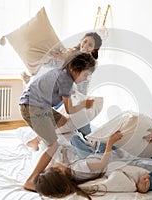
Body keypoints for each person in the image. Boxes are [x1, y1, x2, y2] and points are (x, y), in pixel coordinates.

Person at [19, 52, 96, 191]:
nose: (85, 79)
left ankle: (35, 141)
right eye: (85, 75)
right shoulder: (66, 81)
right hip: (33, 108)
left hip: (35, 104)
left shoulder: (62, 73)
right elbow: (70, 109)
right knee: (53, 145)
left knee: (62, 121)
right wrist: (85, 104)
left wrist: (71, 94)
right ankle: (31, 180)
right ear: (75, 69)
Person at [25, 32, 102, 150]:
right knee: (62, 121)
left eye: (90, 45)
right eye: (85, 41)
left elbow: (77, 71)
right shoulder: (70, 54)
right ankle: (37, 139)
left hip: (77, 96)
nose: (85, 45)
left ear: (94, 49)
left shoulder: (92, 63)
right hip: (65, 96)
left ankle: (87, 140)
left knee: (84, 127)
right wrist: (47, 58)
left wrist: (62, 57)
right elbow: (54, 63)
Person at [35, 131, 123, 199]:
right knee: (82, 140)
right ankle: (117, 151)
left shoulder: (71, 177)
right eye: (51, 166)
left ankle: (90, 143)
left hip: (91, 158)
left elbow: (66, 164)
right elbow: (103, 163)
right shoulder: (79, 168)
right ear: (60, 171)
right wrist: (110, 143)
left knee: (75, 140)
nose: (53, 164)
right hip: (98, 156)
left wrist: (64, 154)